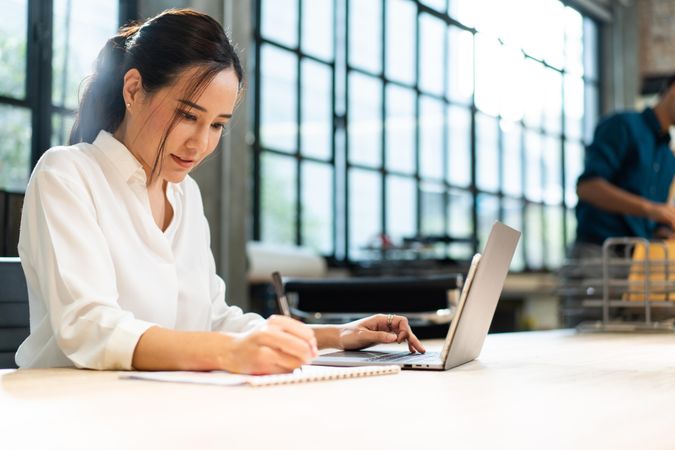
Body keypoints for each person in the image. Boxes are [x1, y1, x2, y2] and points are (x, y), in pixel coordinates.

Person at [15, 8, 424, 374]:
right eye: (187, 115)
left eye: (217, 125)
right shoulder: (67, 174)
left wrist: (335, 335)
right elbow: (89, 327)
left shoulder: (184, 194)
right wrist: (227, 352)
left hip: (155, 406)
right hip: (71, 411)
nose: (201, 143)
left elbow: (214, 320)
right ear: (134, 90)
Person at [563, 75, 675, 325]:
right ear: (668, 88)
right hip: (597, 257)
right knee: (585, 348)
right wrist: (652, 209)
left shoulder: (669, 159)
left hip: (637, 266)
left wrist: (663, 229)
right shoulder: (623, 125)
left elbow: (651, 222)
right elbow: (588, 187)